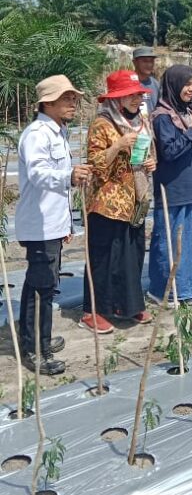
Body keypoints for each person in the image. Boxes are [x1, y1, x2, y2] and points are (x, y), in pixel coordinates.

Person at [15, 75, 92, 375]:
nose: (73, 103)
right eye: (66, 98)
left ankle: (34, 338)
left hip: (52, 224)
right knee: (41, 288)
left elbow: (58, 189)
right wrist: (69, 176)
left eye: (73, 97)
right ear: (47, 103)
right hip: (39, 225)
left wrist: (66, 225)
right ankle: (37, 350)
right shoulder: (37, 134)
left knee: (40, 284)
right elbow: (39, 174)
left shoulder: (58, 131)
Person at [81, 70, 156, 333]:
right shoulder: (102, 124)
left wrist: (150, 162)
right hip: (107, 202)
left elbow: (150, 153)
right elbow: (95, 165)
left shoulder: (143, 121)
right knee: (103, 258)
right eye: (130, 95)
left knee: (131, 255)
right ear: (116, 99)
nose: (136, 99)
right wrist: (118, 145)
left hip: (135, 198)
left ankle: (127, 306)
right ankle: (94, 310)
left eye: (138, 94)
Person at [148, 65, 192, 305]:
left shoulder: (186, 112)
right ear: (173, 85)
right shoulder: (162, 117)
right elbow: (170, 151)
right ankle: (170, 290)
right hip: (173, 189)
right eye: (186, 84)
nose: (191, 89)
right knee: (171, 240)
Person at [133, 46, 160, 113]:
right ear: (135, 62)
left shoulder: (156, 84)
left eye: (151, 61)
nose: (149, 64)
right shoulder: (127, 82)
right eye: (145, 61)